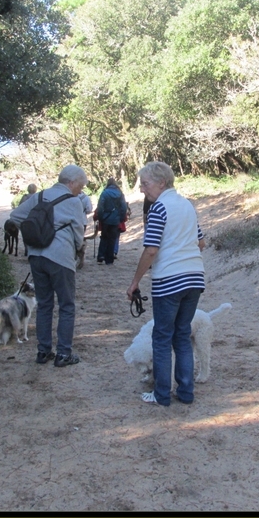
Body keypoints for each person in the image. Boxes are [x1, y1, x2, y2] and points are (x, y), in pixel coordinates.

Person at [126, 162, 206, 406]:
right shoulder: (187, 206)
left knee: (161, 338)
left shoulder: (159, 208)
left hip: (169, 281)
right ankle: (185, 392)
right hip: (195, 277)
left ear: (162, 183)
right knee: (182, 336)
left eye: (145, 184)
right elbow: (201, 243)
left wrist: (135, 282)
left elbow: (151, 250)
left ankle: (162, 395)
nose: (142, 190)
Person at [9, 165, 87, 367]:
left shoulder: (39, 196)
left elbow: (16, 217)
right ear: (71, 182)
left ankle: (43, 352)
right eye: (80, 185)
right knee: (67, 305)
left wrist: (36, 235)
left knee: (44, 304)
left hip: (36, 255)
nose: (81, 189)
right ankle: (63, 354)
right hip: (60, 257)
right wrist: (76, 248)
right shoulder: (73, 201)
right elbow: (79, 232)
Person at [96, 177, 128, 265]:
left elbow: (100, 206)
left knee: (104, 237)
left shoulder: (104, 193)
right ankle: (109, 259)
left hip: (106, 218)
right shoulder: (120, 194)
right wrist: (121, 217)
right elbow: (124, 207)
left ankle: (101, 256)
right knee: (112, 239)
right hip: (115, 219)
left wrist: (101, 217)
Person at [76, 191, 93, 269]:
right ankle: (81, 259)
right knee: (79, 240)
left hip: (71, 221)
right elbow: (89, 210)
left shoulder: (69, 196)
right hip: (82, 221)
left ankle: (76, 258)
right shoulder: (85, 198)